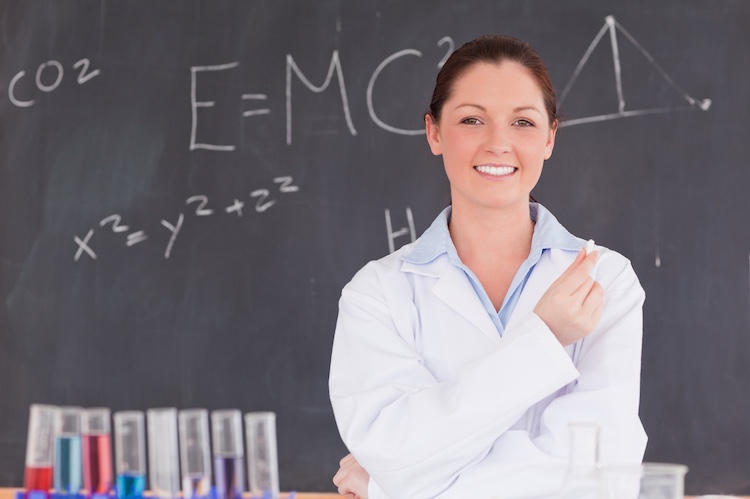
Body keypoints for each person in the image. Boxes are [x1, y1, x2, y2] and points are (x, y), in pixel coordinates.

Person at [328, 34, 647, 499]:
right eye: (472, 120)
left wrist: (391, 486)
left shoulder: (604, 280)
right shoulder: (376, 294)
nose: (499, 144)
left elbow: (597, 475)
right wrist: (545, 337)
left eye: (522, 121)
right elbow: (392, 451)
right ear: (434, 132)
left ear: (550, 137)